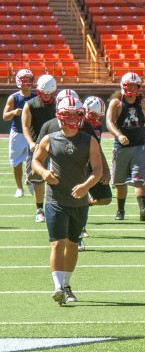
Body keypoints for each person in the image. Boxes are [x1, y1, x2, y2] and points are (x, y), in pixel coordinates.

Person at [31, 96, 102, 305]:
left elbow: (97, 169)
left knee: (72, 244)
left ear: (81, 115)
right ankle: (58, 287)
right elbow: (35, 160)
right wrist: (44, 173)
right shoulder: (50, 138)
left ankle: (67, 284)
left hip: (79, 201)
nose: (71, 118)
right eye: (67, 114)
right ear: (60, 116)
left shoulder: (89, 140)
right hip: (55, 199)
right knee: (56, 243)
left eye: (75, 114)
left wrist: (86, 186)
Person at [106, 72, 145, 221]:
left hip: (139, 146)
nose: (131, 88)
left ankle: (143, 209)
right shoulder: (116, 103)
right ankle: (120, 210)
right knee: (120, 182)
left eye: (134, 85)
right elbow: (109, 122)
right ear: (123, 85)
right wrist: (119, 135)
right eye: (129, 85)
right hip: (121, 147)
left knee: (139, 179)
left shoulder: (143, 103)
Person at [22, 74, 57, 223]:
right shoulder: (30, 104)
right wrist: (31, 142)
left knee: (58, 177)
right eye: (45, 94)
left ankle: (57, 207)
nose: (48, 97)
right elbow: (25, 126)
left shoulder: (59, 103)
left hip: (57, 144)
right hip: (38, 145)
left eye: (50, 94)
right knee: (37, 180)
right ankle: (39, 209)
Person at [3, 69, 36, 197]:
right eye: (25, 79)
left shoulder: (35, 97)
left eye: (29, 79)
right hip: (17, 133)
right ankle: (19, 188)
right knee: (16, 162)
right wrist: (13, 112)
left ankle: (32, 182)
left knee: (34, 160)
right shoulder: (14, 98)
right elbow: (5, 116)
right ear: (19, 81)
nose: (27, 82)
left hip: (31, 133)